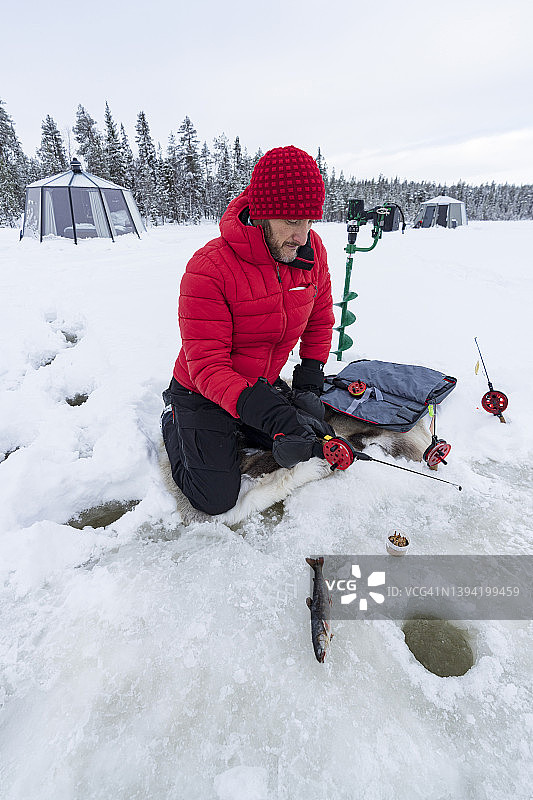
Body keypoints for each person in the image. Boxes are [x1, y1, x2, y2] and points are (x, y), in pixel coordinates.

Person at [161, 145, 335, 515]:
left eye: (309, 221)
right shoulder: (210, 268)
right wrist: (273, 415)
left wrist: (308, 382)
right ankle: (172, 416)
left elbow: (319, 318)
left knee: (313, 437)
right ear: (261, 212)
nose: (302, 236)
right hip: (201, 390)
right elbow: (207, 366)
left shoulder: (311, 252)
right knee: (214, 498)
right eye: (292, 220)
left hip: (258, 385)